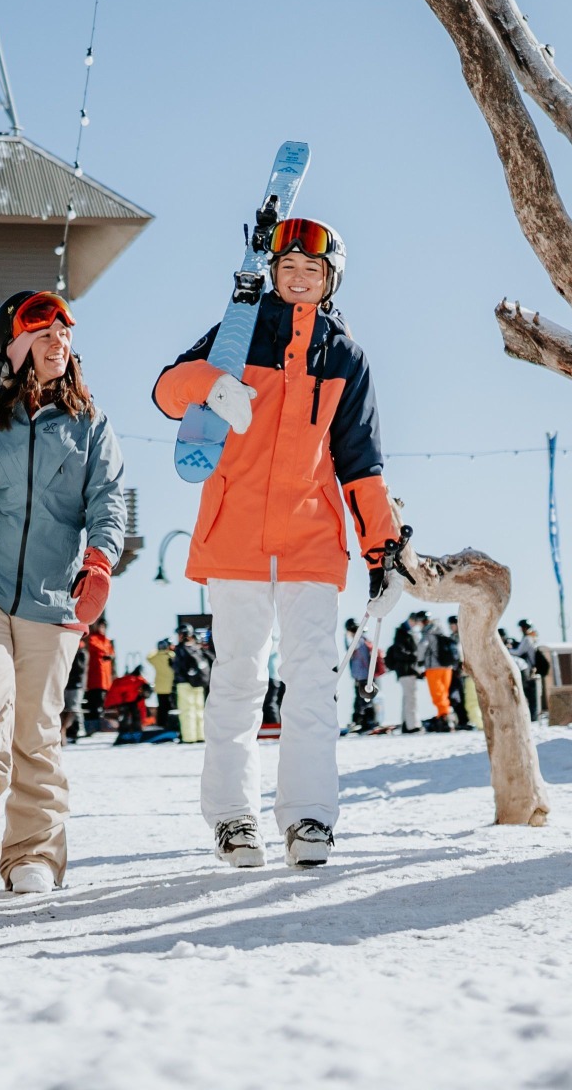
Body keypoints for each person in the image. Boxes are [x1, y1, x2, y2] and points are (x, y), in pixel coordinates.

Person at [151, 213, 400, 870]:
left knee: (313, 682)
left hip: (311, 542)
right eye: (287, 267)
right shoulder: (237, 333)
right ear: (272, 271)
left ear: (330, 279)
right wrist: (214, 384)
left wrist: (383, 549)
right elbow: (167, 391)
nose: (298, 278)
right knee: (238, 679)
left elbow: (362, 464)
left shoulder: (345, 358)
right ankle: (234, 819)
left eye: (311, 270)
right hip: (234, 538)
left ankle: (309, 816)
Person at [0, 288, 126, 895]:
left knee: (35, 729)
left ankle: (32, 852)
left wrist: (98, 563)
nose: (58, 343)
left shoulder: (91, 427)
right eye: (42, 335)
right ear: (12, 349)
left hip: (52, 596)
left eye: (64, 334)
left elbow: (107, 500)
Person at [385, 611, 427, 732]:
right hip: (406, 670)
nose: (416, 625)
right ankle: (412, 725)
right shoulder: (403, 633)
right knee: (411, 697)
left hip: (405, 671)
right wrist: (415, 656)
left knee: (407, 697)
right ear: (411, 620)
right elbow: (400, 653)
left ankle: (406, 723)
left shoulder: (403, 633)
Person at [345, 619, 377, 733]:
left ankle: (365, 722)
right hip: (366, 675)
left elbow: (351, 654)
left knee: (363, 700)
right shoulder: (364, 640)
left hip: (362, 676)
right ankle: (366, 721)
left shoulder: (358, 642)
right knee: (364, 699)